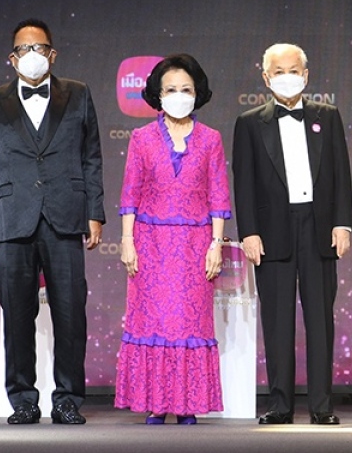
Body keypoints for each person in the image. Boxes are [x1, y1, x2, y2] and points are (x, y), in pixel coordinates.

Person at [0, 18, 105, 425]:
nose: (32, 55)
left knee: (70, 313)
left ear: (52, 54)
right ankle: (23, 400)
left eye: (39, 48)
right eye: (24, 49)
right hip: (12, 219)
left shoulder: (78, 94)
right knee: (16, 314)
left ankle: (67, 400)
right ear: (12, 59)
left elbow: (92, 158)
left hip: (65, 216)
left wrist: (94, 212)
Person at [232, 43, 352, 426]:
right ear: (266, 77)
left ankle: (322, 406)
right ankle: (280, 405)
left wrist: (343, 223)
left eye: (294, 70)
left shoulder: (327, 116)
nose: (287, 77)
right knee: (277, 321)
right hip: (272, 232)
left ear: (306, 74)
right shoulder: (250, 123)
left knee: (320, 319)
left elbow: (341, 173)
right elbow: (244, 183)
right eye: (279, 71)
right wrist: (249, 232)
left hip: (319, 228)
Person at [113, 54, 231, 425]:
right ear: (158, 95)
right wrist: (127, 240)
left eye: (186, 89)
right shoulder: (141, 138)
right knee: (153, 323)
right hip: (150, 244)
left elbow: (219, 196)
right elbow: (130, 192)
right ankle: (157, 403)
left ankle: (186, 405)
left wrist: (216, 244)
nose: (179, 96)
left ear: (197, 93)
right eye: (171, 90)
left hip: (195, 245)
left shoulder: (211, 139)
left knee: (189, 324)